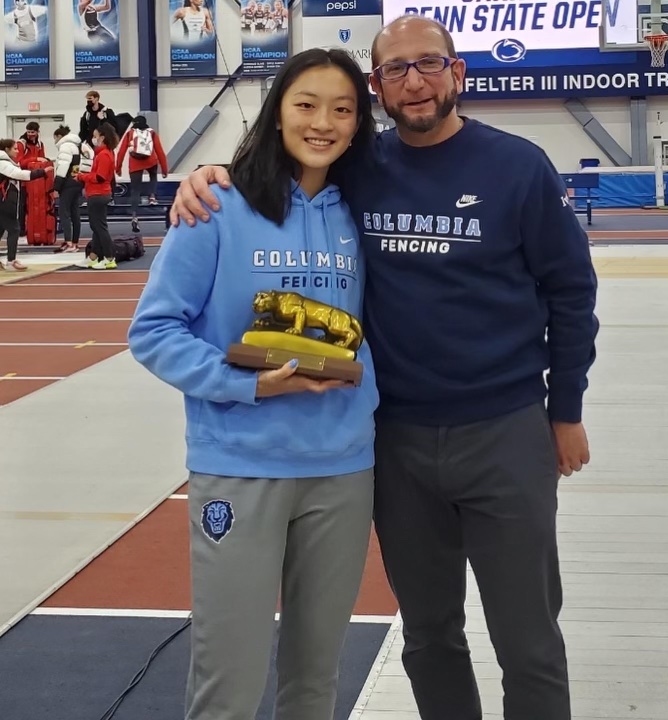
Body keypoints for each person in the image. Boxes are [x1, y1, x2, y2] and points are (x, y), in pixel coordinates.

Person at [170, 17, 599, 720]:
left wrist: (566, 409)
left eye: (429, 65)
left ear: (458, 73)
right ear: (379, 88)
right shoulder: (360, 170)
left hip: (505, 432)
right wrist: (212, 172)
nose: (415, 81)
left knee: (528, 642)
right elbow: (282, 163)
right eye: (395, 70)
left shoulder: (518, 167)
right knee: (429, 636)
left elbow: (572, 293)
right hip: (395, 442)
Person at [127, 48, 378, 720]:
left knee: (315, 678)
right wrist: (248, 387)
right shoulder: (217, 205)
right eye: (306, 104)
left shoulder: (368, 212)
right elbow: (152, 332)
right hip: (240, 466)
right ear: (276, 114)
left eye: (343, 109)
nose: (323, 122)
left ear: (359, 125)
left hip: (344, 468)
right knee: (229, 682)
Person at [0, 138, 51, 271]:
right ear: (6, 150)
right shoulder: (3, 163)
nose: (17, 151)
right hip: (4, 202)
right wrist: (41, 172)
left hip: (4, 201)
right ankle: (11, 261)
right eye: (14, 149)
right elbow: (19, 174)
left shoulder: (7, 162)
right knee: (14, 229)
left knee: (1, 229)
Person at [115, 115, 169, 234]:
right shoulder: (152, 133)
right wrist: (165, 169)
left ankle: (134, 216)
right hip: (151, 161)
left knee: (135, 190)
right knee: (153, 176)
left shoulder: (130, 133)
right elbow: (160, 151)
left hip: (135, 163)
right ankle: (152, 197)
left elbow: (121, 151)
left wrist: (118, 168)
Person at [76, 122, 118, 270]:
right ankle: (93, 257)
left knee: (100, 228)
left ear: (102, 137)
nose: (93, 139)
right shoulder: (103, 154)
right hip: (97, 193)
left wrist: (83, 177)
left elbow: (100, 177)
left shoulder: (104, 155)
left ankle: (109, 258)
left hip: (99, 193)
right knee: (96, 227)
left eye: (95, 136)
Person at [52, 125, 88, 253]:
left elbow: (63, 166)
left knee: (64, 212)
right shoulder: (80, 145)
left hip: (67, 182)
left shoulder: (65, 146)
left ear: (59, 136)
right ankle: (74, 242)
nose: (54, 141)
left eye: (55, 138)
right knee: (74, 212)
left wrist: (56, 186)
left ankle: (68, 242)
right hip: (78, 180)